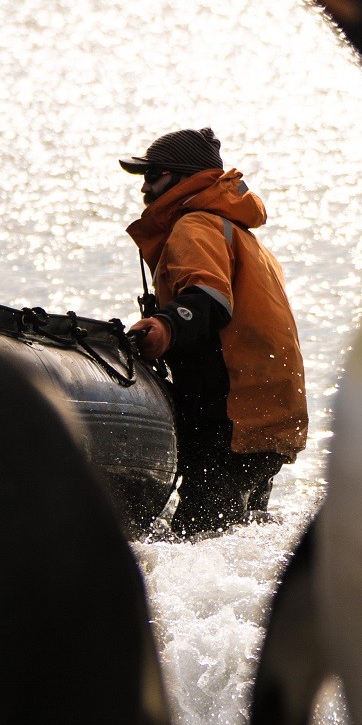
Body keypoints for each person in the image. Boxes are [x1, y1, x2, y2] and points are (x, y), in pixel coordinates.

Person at [122, 127, 307, 536]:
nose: (145, 188)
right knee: (241, 534)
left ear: (183, 176)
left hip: (228, 415)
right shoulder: (241, 234)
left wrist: (163, 326)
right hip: (267, 413)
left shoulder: (195, 226)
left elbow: (209, 299)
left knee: (199, 537)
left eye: (153, 175)